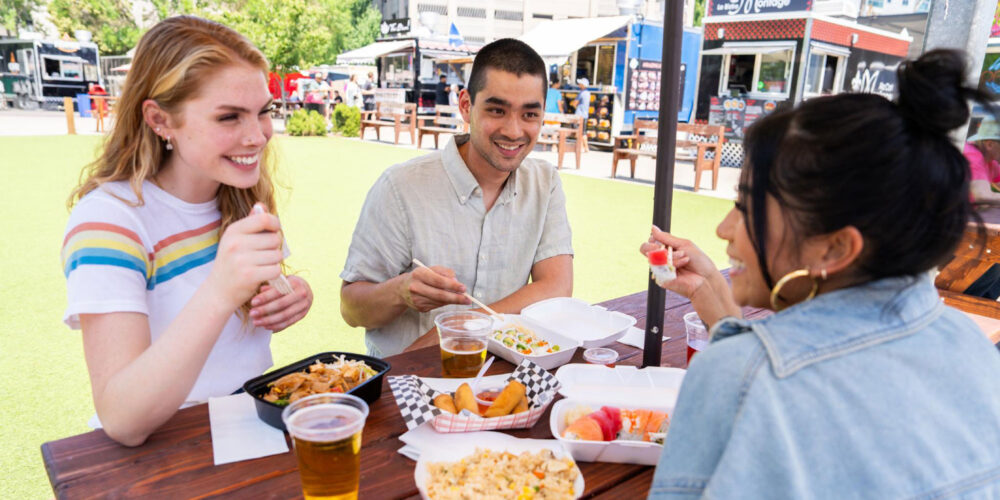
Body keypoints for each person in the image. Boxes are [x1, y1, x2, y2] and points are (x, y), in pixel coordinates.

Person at [642, 50, 1000, 498]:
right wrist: (716, 297)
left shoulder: (739, 377)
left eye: (746, 207)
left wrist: (732, 357)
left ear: (834, 248)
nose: (723, 230)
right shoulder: (970, 345)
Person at [61, 16, 314, 447]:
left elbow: (241, 332)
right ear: (161, 120)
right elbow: (122, 418)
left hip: (249, 434)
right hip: (168, 457)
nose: (257, 136)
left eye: (264, 112)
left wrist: (291, 293)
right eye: (229, 117)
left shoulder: (239, 194)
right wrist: (220, 291)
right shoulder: (108, 221)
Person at [339, 38, 574, 357]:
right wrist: (401, 291)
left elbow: (557, 287)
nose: (514, 130)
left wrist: (464, 328)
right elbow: (351, 310)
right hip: (408, 384)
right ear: (465, 105)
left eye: (529, 115)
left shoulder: (544, 183)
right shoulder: (401, 186)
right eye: (497, 110)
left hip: (500, 376)